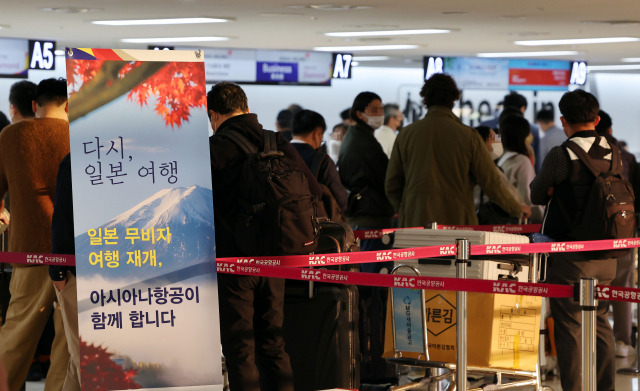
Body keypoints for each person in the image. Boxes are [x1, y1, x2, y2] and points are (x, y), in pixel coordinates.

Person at [208, 82, 321, 391]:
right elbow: (313, 190)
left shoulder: (214, 149)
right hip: (275, 258)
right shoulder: (276, 142)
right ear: (245, 106)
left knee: (240, 347)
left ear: (213, 114)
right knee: (272, 341)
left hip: (234, 261)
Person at [530, 90, 616, 391]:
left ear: (563, 121)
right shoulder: (615, 153)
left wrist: (556, 190)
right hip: (608, 255)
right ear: (596, 119)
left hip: (569, 255)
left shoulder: (561, 154)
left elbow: (537, 193)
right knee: (602, 323)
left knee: (570, 327)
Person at [386, 73, 530, 227]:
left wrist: (406, 209)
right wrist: (516, 208)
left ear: (425, 99)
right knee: (456, 252)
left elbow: (392, 184)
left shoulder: (406, 135)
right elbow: (490, 182)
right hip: (457, 223)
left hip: (415, 223)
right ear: (453, 99)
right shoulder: (469, 137)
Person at [0, 78, 70, 391]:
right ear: (69, 105)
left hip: (29, 249)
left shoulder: (10, 135)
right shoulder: (81, 137)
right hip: (77, 250)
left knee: (17, 332)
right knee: (70, 338)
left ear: (33, 105)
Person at [596, 110, 640, 357]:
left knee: (595, 285)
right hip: (626, 230)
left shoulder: (587, 157)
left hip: (594, 235)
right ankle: (623, 342)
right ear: (610, 130)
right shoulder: (629, 158)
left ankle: (598, 339)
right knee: (623, 286)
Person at [338, 91, 393, 256]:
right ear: (359, 114)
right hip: (370, 214)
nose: (380, 114)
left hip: (362, 211)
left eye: (381, 109)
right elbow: (384, 176)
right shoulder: (363, 142)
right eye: (374, 110)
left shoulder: (358, 136)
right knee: (372, 268)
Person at [49, 154, 79, 391]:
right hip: (76, 274)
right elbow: (62, 218)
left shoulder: (77, 157)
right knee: (82, 358)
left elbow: (62, 217)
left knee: (80, 360)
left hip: (78, 272)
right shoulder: (76, 159)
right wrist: (59, 272)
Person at [290, 109, 348, 214]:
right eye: (321, 136)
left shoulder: (276, 156)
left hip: (281, 223)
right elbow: (341, 200)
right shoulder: (322, 161)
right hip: (312, 224)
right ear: (316, 134)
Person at [473, 126, 525, 224]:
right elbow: (501, 192)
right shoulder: (487, 168)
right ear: (483, 142)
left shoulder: (488, 166)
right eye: (493, 137)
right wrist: (519, 209)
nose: (498, 141)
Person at [497, 115, 544, 223]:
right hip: (519, 222)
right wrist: (542, 218)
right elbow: (529, 198)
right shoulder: (522, 161)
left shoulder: (502, 159)